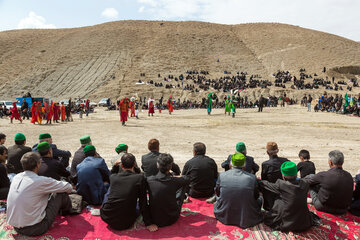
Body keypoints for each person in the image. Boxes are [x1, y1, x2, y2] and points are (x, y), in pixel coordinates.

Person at [6, 152, 73, 236]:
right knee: (60, 193)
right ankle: (68, 212)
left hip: (15, 226)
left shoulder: (16, 177)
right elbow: (68, 187)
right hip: (36, 228)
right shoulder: (40, 181)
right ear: (38, 165)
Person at [101, 153, 157, 231]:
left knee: (110, 191)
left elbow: (112, 174)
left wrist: (115, 166)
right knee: (135, 203)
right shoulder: (140, 178)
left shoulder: (113, 177)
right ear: (134, 164)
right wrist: (148, 223)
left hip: (107, 217)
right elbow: (143, 202)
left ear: (121, 166)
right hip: (126, 221)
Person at [259, 161, 314, 232]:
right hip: (304, 222)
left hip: (287, 224)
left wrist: (258, 180)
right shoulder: (305, 183)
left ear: (283, 175)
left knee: (278, 200)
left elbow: (267, 185)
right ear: (296, 173)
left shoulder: (281, 185)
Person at [214, 153, 263, 228]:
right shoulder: (252, 178)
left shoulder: (222, 175)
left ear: (231, 164)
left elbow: (218, 193)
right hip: (247, 217)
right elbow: (256, 196)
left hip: (224, 215)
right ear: (244, 165)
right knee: (260, 199)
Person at [147, 153, 190, 228]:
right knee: (183, 184)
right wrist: (177, 175)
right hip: (171, 218)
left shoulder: (149, 180)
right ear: (170, 166)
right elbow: (187, 178)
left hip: (153, 218)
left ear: (157, 165)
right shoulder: (174, 181)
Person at [305, 150, 353, 214]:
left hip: (323, 207)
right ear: (343, 162)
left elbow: (307, 182)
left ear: (330, 162)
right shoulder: (349, 176)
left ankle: (309, 200)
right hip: (343, 210)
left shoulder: (324, 175)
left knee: (312, 182)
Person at [261, 142, 289, 210]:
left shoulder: (265, 164)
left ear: (267, 152)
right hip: (284, 191)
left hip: (271, 193)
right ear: (278, 150)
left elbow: (263, 179)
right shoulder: (285, 161)